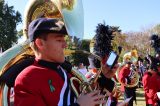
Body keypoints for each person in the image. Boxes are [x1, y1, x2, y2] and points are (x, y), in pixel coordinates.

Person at [14, 18, 118, 106]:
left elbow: (96, 100)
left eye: (64, 39)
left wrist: (105, 77)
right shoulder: (27, 78)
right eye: (59, 40)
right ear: (40, 43)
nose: (65, 45)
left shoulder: (67, 72)